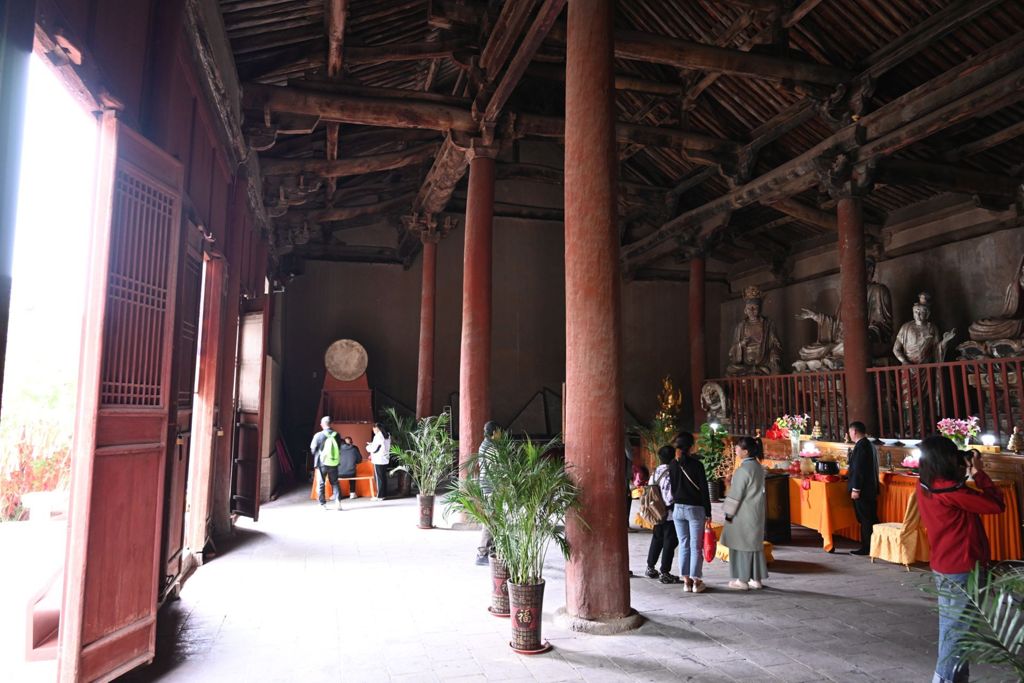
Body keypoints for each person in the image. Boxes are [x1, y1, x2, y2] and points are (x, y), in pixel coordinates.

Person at [917, 437, 1005, 683]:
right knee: (958, 633)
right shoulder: (950, 492)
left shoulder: (925, 484)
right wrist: (979, 473)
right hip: (962, 567)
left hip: (945, 564)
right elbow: (996, 505)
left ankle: (954, 679)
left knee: (954, 628)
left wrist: (963, 471)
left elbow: (953, 487)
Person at [721, 436, 767, 589]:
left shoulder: (743, 470)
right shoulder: (758, 467)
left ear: (745, 452)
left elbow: (736, 495)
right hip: (756, 511)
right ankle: (756, 578)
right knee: (754, 544)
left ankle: (742, 580)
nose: (736, 450)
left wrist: (728, 514)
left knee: (741, 545)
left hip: (742, 513)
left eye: (738, 448)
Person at [668, 431, 711, 592]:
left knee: (684, 544)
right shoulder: (697, 465)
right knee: (695, 545)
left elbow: (672, 488)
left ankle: (686, 581)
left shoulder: (673, 464)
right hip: (695, 509)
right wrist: (708, 511)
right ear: (691, 446)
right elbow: (704, 490)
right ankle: (696, 581)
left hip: (678, 509)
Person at [645, 445, 680, 583]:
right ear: (673, 457)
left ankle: (650, 567)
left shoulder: (655, 472)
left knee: (657, 539)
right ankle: (665, 572)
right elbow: (669, 497)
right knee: (669, 542)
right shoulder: (671, 473)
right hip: (668, 513)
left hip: (656, 512)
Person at [847, 421, 879, 556]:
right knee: (870, 517)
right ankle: (874, 545)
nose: (849, 435)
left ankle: (867, 547)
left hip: (863, 490)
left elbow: (859, 470)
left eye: (849, 432)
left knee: (866, 519)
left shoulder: (861, 446)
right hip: (871, 489)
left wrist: (856, 489)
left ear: (854, 432)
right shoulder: (870, 444)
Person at [475, 421, 501, 566]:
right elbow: (498, 468)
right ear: (494, 433)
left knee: (493, 520)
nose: (501, 435)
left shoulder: (484, 445)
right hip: (491, 487)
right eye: (499, 432)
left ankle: (491, 550)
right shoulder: (491, 448)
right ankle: (482, 553)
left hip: (487, 486)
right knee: (490, 521)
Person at [310, 416, 344, 510]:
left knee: (321, 483)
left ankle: (322, 504)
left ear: (322, 425)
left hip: (322, 463)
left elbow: (312, 449)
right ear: (331, 424)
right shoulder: (337, 435)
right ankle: (338, 503)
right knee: (335, 482)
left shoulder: (318, 435)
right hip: (333, 462)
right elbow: (339, 448)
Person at [366, 422, 391, 501]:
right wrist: (372, 444)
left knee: (378, 478)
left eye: (374, 429)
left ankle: (379, 496)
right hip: (385, 459)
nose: (373, 431)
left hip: (378, 459)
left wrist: (368, 447)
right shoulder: (388, 435)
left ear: (377, 428)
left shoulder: (377, 436)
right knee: (383, 477)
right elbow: (381, 445)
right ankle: (384, 494)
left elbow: (374, 448)